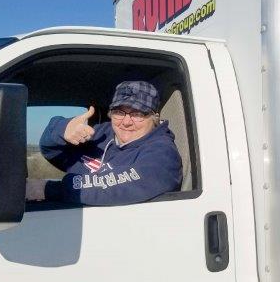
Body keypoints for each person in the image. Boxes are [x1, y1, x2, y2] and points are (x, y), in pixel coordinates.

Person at [25, 81, 182, 206]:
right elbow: (51, 151)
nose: (126, 122)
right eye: (119, 112)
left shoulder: (163, 153)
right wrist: (62, 130)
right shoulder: (104, 134)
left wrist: (47, 189)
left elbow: (119, 187)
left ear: (154, 117)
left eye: (138, 114)